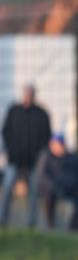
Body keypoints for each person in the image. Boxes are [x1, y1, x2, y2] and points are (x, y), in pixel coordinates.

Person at [0, 84, 51, 227]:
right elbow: (5, 133)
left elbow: (47, 137)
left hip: (34, 162)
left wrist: (41, 158)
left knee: (34, 191)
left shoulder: (41, 114)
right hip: (14, 160)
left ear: (34, 95)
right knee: (8, 186)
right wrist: (10, 152)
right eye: (26, 94)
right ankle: (2, 219)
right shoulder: (14, 111)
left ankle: (31, 223)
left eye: (31, 94)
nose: (28, 97)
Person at [36, 134, 78, 231]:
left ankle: (75, 229)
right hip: (53, 189)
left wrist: (74, 185)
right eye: (56, 145)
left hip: (71, 189)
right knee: (49, 196)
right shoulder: (46, 157)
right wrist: (54, 186)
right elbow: (42, 177)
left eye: (60, 145)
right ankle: (51, 227)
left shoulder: (72, 157)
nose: (59, 147)